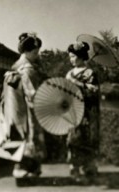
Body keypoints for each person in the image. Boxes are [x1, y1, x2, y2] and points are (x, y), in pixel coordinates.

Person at [0, 33, 47, 178]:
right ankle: (24, 168)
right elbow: (32, 94)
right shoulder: (27, 69)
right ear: (28, 52)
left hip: (12, 108)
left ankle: (30, 168)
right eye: (35, 52)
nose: (37, 55)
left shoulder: (15, 66)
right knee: (28, 136)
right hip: (25, 108)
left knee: (17, 135)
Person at [65, 41, 100, 182]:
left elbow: (94, 92)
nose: (71, 59)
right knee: (72, 140)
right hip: (72, 110)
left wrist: (79, 83)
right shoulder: (69, 73)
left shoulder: (90, 73)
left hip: (86, 111)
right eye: (70, 56)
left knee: (86, 139)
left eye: (73, 56)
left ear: (81, 56)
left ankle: (88, 168)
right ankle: (74, 168)